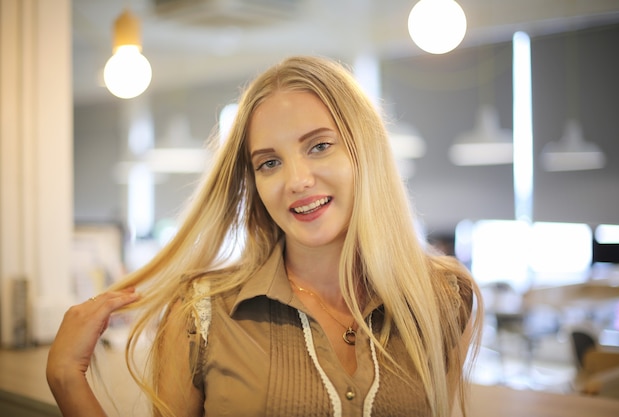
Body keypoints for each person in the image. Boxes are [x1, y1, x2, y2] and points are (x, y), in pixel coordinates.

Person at [46, 55, 483, 417]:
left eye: (319, 146)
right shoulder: (200, 316)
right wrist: (67, 378)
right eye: (269, 163)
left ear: (364, 151)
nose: (296, 180)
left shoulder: (442, 297)